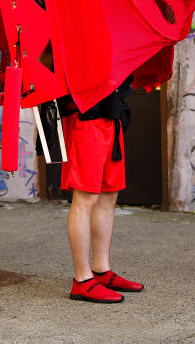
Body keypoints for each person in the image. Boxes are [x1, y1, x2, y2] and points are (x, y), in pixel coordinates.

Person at [58, 78, 144, 303]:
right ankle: (83, 280)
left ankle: (101, 271)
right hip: (85, 114)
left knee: (109, 194)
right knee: (86, 198)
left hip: (110, 112)